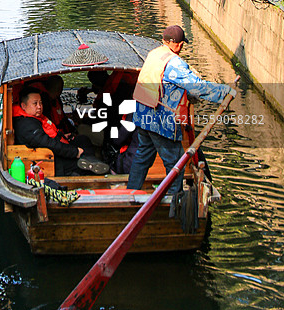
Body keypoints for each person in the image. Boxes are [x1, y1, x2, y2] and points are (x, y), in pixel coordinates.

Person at [127, 25, 233, 197]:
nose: (182, 46)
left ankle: (131, 191)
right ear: (177, 44)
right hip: (159, 120)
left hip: (143, 115)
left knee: (143, 156)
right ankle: (174, 199)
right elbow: (196, 86)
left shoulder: (154, 54)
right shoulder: (174, 63)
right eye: (182, 43)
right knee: (175, 162)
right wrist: (224, 91)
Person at [13, 86, 109, 176]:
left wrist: (62, 136)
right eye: (35, 103)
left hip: (53, 151)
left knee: (83, 139)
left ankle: (92, 162)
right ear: (23, 106)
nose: (39, 106)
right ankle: (92, 168)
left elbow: (48, 136)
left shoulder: (34, 118)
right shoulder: (26, 125)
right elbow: (48, 143)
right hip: (51, 161)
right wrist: (74, 152)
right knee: (80, 161)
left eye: (40, 103)